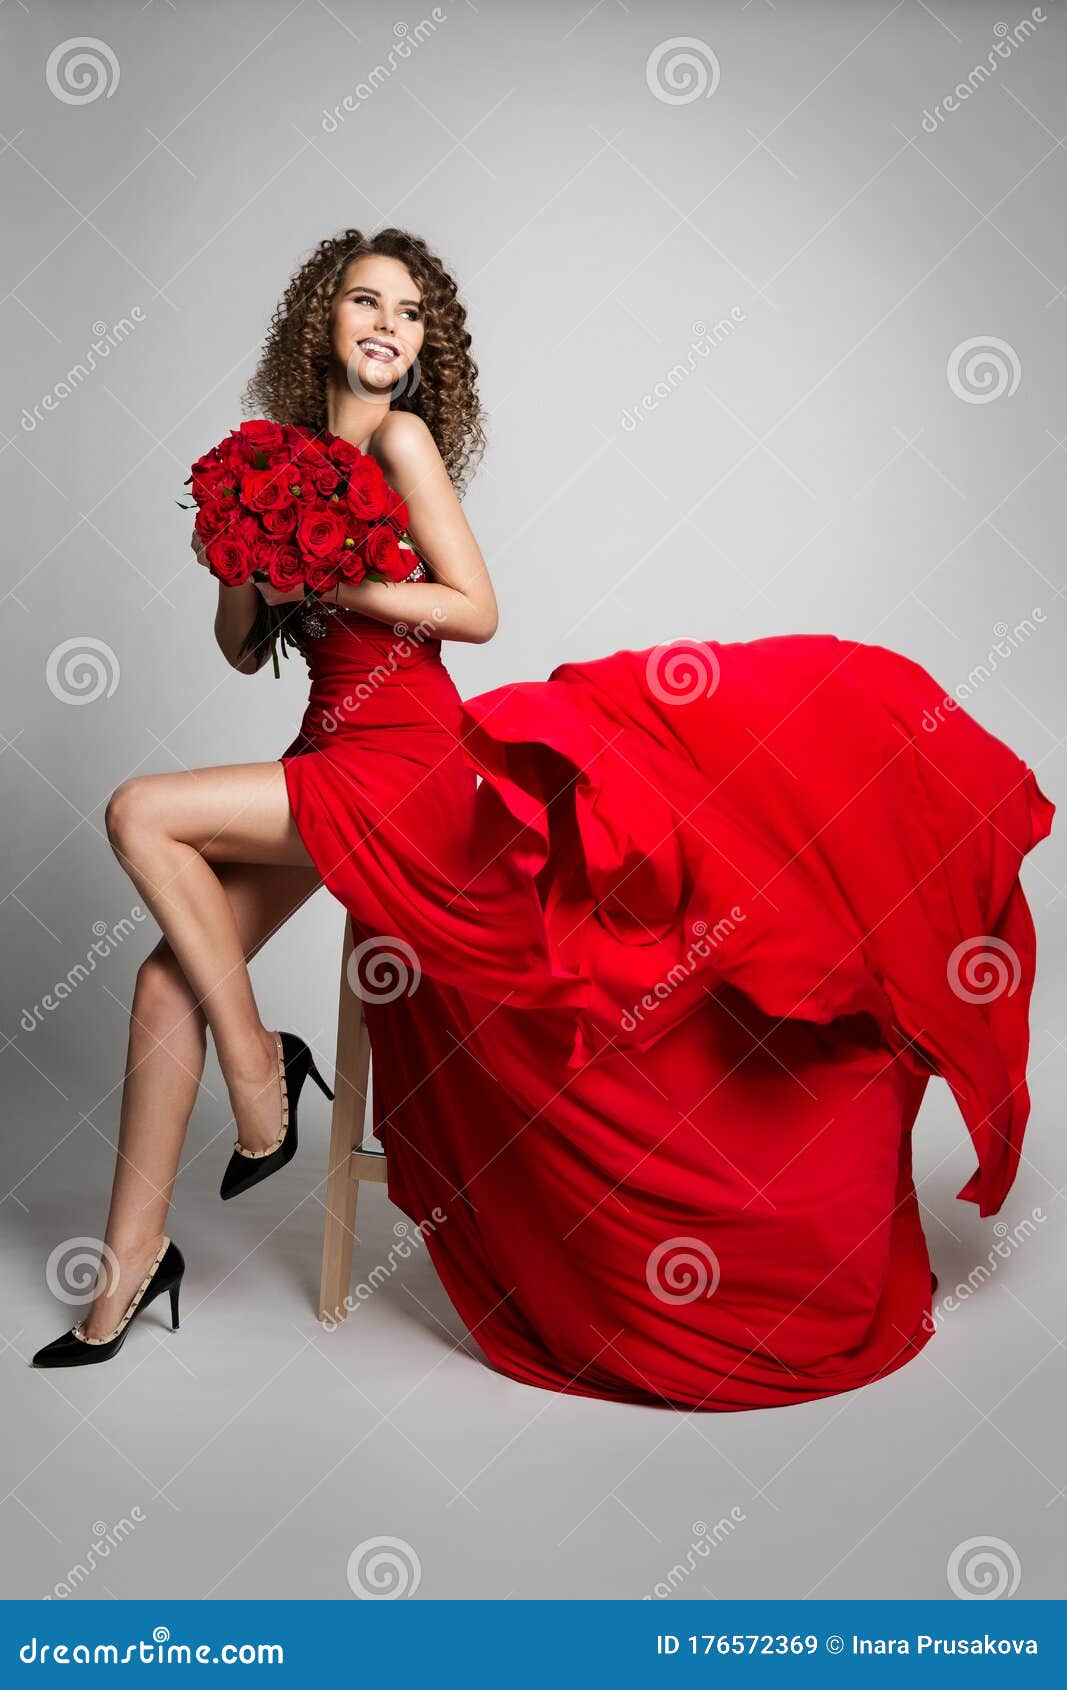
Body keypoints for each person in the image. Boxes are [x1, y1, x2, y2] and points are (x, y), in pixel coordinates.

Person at [32, 229, 1054, 1411]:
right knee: (166, 983)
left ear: (425, 345)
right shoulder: (277, 455)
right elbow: (238, 644)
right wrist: (242, 552)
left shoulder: (403, 441)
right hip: (325, 754)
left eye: (409, 314)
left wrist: (339, 574)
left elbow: (473, 609)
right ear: (320, 320)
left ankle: (262, 1085)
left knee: (137, 811)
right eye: (364, 301)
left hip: (406, 765)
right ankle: (125, 1275)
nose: (385, 326)